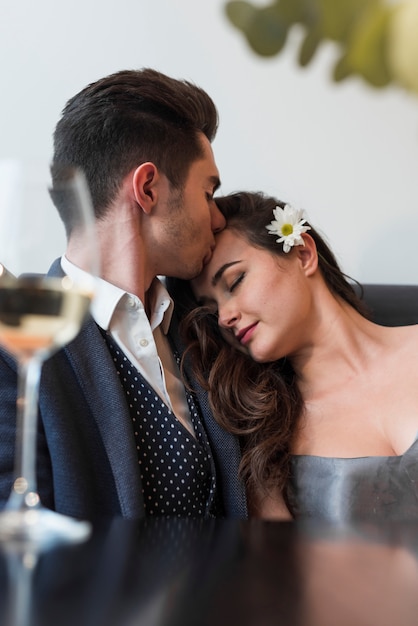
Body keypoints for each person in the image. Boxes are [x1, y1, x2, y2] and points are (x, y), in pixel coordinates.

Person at [0, 69, 248, 520]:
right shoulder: (14, 347)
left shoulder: (209, 321)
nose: (217, 219)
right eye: (208, 192)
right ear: (148, 188)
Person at [174, 190, 418, 522]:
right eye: (211, 308)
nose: (224, 317)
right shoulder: (266, 441)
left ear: (303, 253)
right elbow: (282, 568)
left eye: (235, 281)